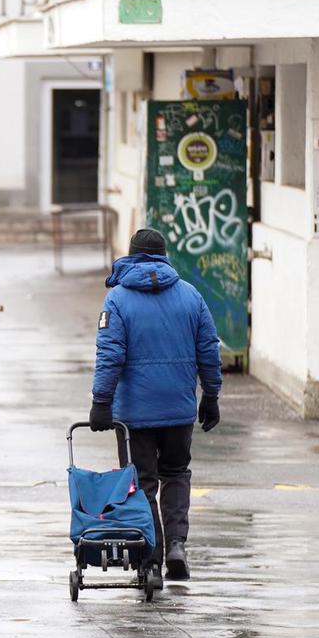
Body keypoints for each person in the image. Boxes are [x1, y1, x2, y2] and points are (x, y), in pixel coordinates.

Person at [88, 227, 222, 581]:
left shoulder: (118, 300)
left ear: (131, 256)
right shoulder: (191, 296)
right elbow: (209, 350)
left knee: (142, 484)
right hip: (178, 410)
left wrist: (101, 401)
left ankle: (151, 561)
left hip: (134, 415)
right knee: (176, 474)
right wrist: (210, 395)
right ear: (165, 256)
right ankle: (177, 544)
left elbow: (109, 355)